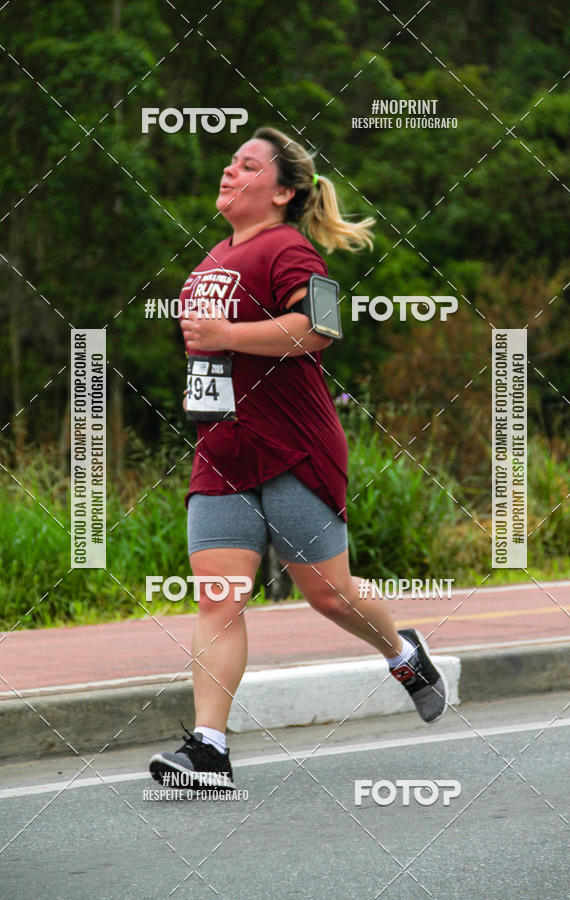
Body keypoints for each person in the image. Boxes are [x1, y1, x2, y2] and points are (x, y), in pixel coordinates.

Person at [149, 126, 448, 790]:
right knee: (218, 601)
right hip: (222, 453)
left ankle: (403, 654)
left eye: (247, 166)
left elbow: (322, 327)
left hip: (293, 449)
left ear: (282, 192)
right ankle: (209, 750)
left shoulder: (291, 249)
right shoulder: (207, 262)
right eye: (230, 162)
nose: (229, 171)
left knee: (330, 596)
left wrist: (226, 333)